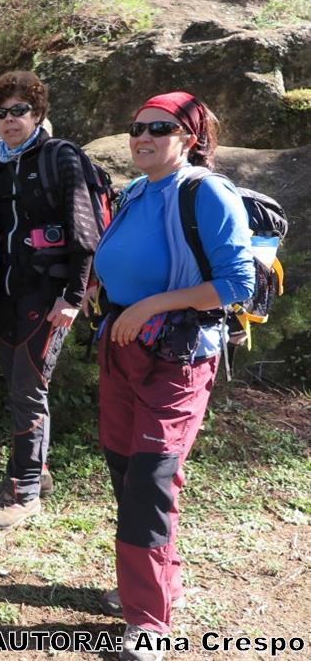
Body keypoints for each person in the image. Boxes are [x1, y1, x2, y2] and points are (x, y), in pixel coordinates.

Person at [89, 92, 253, 661]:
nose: (144, 137)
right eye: (137, 127)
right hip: (123, 350)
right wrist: (101, 291)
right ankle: (153, 582)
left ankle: (149, 622)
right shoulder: (136, 191)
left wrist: (148, 306)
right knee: (124, 467)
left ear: (189, 136)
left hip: (176, 358)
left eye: (159, 128)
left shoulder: (204, 191)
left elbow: (236, 285)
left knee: (152, 480)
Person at [0, 71, 102, 531]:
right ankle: (35, 474)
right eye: (2, 113)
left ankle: (25, 491)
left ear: (38, 113)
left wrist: (73, 295)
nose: (10, 120)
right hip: (7, 297)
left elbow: (85, 231)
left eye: (19, 111)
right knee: (20, 387)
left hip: (48, 297)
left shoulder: (59, 156)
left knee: (29, 391)